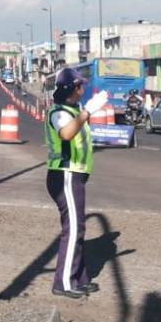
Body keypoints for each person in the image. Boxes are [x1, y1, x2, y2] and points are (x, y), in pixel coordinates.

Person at [45, 68, 109, 299]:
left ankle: (79, 278)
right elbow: (66, 134)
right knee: (73, 229)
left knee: (77, 228)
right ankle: (64, 283)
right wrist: (88, 112)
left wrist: (86, 110)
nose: (83, 89)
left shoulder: (74, 109)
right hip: (65, 175)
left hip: (75, 175)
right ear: (72, 89)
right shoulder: (60, 113)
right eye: (80, 86)